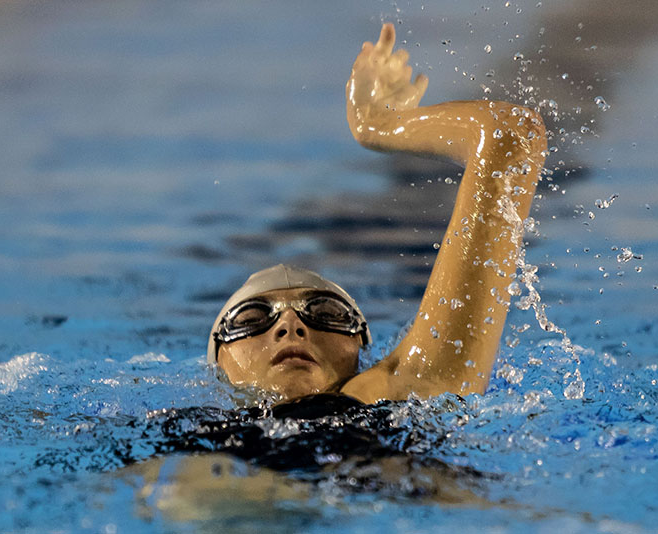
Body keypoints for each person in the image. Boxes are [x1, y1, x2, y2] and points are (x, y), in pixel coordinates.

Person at [208, 23, 547, 405]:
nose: (291, 325)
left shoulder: (410, 386)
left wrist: (379, 124)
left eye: (325, 312)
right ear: (218, 363)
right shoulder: (176, 440)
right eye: (251, 319)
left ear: (360, 350)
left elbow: (510, 137)